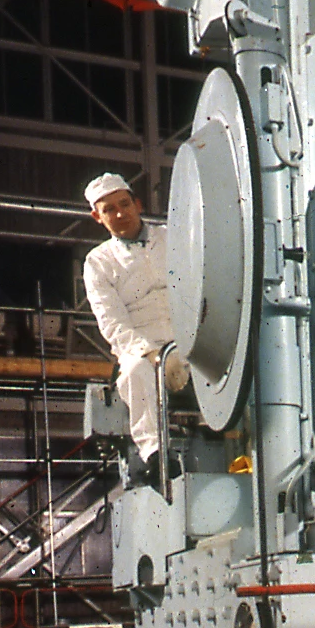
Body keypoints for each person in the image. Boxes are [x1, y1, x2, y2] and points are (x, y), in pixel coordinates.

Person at [81, 173, 189, 482]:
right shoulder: (98, 262)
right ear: (97, 217)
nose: (119, 214)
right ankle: (156, 454)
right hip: (143, 347)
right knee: (134, 373)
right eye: (108, 209)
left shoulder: (175, 238)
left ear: (137, 204)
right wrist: (153, 354)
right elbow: (112, 322)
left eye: (124, 204)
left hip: (191, 336)